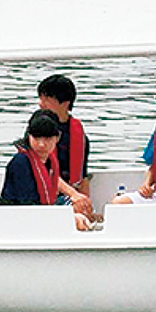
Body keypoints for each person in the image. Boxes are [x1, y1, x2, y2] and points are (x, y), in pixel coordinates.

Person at [0, 109, 92, 231]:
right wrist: (67, 217)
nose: (41, 145)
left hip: (40, 214)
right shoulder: (20, 163)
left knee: (80, 209)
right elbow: (28, 207)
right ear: (29, 137)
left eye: (47, 139)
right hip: (19, 220)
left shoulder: (48, 162)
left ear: (57, 139)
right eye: (36, 138)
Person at [36, 74, 93, 219]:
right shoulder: (37, 132)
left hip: (68, 196)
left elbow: (83, 176)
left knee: (83, 215)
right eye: (41, 98)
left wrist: (86, 204)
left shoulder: (79, 135)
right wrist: (74, 195)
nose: (40, 103)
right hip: (42, 195)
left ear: (64, 103)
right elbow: (45, 170)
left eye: (46, 99)